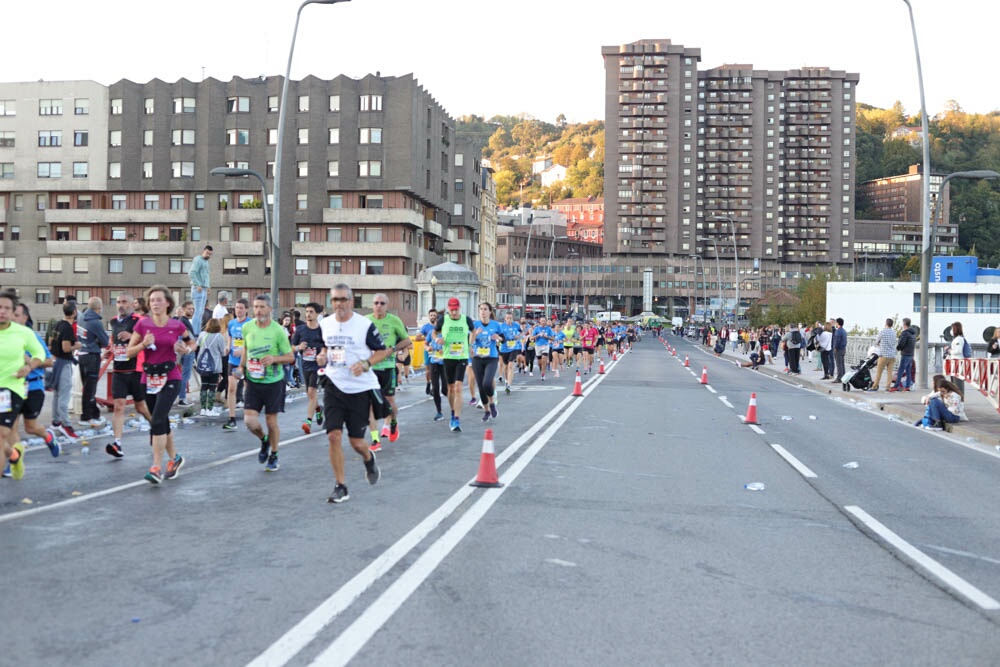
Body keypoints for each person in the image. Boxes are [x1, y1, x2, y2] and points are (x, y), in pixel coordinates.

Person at [318, 283, 385, 503]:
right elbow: (325, 348)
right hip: (334, 385)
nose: (339, 304)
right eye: (335, 300)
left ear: (351, 300)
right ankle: (341, 485)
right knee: (333, 435)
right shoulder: (325, 323)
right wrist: (322, 356)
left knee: (356, 442)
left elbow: (382, 350)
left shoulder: (364, 325)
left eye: (343, 299)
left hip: (359, 389)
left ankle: (368, 457)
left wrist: (365, 363)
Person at [127, 285, 194, 484]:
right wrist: (143, 345)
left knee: (157, 419)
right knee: (161, 421)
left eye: (159, 300)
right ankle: (175, 459)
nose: (155, 303)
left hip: (171, 376)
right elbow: (129, 352)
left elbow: (192, 342)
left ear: (167, 303)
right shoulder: (142, 325)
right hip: (149, 378)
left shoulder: (177, 325)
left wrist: (186, 350)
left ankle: (155, 467)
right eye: (152, 300)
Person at [240, 294, 295, 472]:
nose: (258, 311)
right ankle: (264, 440)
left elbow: (290, 357)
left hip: (274, 382)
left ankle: (274, 453)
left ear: (270, 309)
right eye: (256, 307)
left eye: (262, 307)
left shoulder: (278, 330)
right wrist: (241, 367)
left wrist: (274, 359)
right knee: (249, 421)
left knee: (271, 421)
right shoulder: (247, 327)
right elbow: (246, 349)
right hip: (253, 380)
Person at [0, 291, 48, 480]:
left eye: (7, 309)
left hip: (10, 389)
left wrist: (29, 367)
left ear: (13, 313)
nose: (2, 311)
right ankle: (13, 454)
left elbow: (40, 354)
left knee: (2, 433)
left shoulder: (23, 333)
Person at [105, 294, 153, 458]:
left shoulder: (140, 320)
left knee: (140, 407)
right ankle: (117, 443)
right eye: (118, 302)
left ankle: (157, 428)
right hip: (119, 370)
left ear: (132, 304)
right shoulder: (113, 321)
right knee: (119, 406)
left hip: (136, 369)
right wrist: (109, 350)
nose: (120, 305)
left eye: (124, 302)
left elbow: (149, 340)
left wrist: (131, 336)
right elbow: (114, 340)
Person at [366, 293, 411, 450]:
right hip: (370, 368)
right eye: (376, 303)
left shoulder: (394, 321)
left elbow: (407, 340)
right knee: (370, 404)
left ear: (387, 305)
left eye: (382, 303)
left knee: (389, 400)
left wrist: (393, 349)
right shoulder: (366, 321)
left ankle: (392, 422)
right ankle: (375, 439)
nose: (378, 305)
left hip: (387, 367)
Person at [434, 297, 476, 433]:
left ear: (460, 308)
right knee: (450, 388)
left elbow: (473, 331)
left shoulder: (466, 319)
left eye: (455, 310)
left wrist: (470, 345)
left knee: (458, 387)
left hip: (461, 357)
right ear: (448, 309)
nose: (453, 313)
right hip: (448, 356)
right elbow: (434, 332)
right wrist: (437, 339)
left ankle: (456, 418)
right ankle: (453, 412)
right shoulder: (443, 320)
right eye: (451, 310)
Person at [292, 302, 325, 434]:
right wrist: (299, 348)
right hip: (305, 364)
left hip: (318, 366)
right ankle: (318, 408)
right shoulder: (300, 330)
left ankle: (308, 422)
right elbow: (292, 347)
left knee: (312, 392)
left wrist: (322, 353)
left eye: (311, 312)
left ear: (317, 314)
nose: (308, 314)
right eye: (307, 312)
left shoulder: (321, 331)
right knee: (309, 394)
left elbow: (326, 346)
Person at [50, 301, 81, 440]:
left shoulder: (57, 324)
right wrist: (77, 346)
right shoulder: (68, 328)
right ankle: (66, 425)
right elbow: (66, 348)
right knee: (64, 394)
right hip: (64, 362)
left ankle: (56, 421)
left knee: (57, 394)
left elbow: (51, 342)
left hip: (56, 362)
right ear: (74, 312)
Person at [77, 296, 109, 428]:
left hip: (81, 355)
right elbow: (105, 341)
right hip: (92, 356)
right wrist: (97, 343)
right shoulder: (95, 322)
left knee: (87, 386)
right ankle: (87, 416)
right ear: (98, 308)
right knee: (90, 389)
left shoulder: (80, 318)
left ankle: (94, 414)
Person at [471, 302, 503, 422]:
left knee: (487, 383)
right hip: (478, 358)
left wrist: (499, 338)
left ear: (490, 312)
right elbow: (469, 341)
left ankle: (492, 403)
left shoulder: (495, 325)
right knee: (480, 386)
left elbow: (503, 338)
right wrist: (475, 334)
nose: (483, 312)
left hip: (491, 357)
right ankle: (486, 410)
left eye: (485, 309)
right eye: (481, 309)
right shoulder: (475, 325)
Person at [223, 298, 250, 432]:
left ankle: (250, 415)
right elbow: (230, 336)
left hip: (247, 362)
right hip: (233, 361)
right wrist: (228, 347)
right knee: (231, 388)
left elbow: (254, 341)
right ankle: (231, 418)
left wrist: (244, 350)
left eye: (241, 308)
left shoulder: (251, 324)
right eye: (236, 307)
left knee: (249, 389)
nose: (238, 310)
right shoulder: (231, 323)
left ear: (246, 309)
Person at [195, 318, 226, 416]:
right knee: (212, 387)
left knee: (204, 386)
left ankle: (203, 409)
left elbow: (197, 345)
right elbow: (223, 352)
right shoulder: (219, 337)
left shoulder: (202, 335)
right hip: (215, 366)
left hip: (203, 365)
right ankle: (210, 409)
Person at [188, 244, 213, 339]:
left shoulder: (206, 262)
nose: (208, 255)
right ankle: (195, 332)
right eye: (207, 253)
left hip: (204, 289)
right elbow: (192, 272)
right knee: (198, 312)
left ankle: (197, 332)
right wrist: (197, 284)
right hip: (198, 288)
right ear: (203, 250)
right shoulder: (198, 260)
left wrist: (208, 287)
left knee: (201, 312)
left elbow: (206, 275)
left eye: (210, 254)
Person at [175, 300, 197, 408]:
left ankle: (181, 397)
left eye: (192, 308)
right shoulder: (183, 321)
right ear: (183, 309)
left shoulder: (184, 321)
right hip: (187, 351)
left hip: (186, 350)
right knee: (185, 375)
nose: (192, 310)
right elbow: (185, 337)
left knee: (182, 375)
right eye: (189, 308)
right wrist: (188, 348)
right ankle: (182, 398)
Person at [424, 319, 447, 421]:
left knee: (445, 389)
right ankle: (439, 411)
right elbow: (425, 343)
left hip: (445, 363)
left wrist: (445, 350)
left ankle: (454, 403)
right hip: (434, 362)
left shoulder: (447, 333)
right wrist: (427, 348)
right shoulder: (431, 333)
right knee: (435, 388)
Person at [869, 318, 898, 392]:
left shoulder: (882, 331)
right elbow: (894, 342)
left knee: (879, 372)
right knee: (889, 372)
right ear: (892, 325)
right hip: (892, 355)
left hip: (883, 355)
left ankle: (874, 386)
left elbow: (876, 342)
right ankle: (888, 387)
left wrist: (880, 344)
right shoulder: (894, 333)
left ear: (886, 323)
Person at [890, 317, 917, 392]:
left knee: (901, 370)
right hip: (911, 354)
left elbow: (902, 343)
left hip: (905, 354)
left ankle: (896, 386)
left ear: (904, 324)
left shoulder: (905, 333)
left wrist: (898, 348)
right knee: (908, 371)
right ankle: (907, 386)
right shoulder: (913, 333)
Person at [497, 311, 522, 394]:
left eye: (510, 318)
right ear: (505, 319)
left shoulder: (516, 325)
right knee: (506, 367)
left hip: (513, 348)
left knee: (511, 365)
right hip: (504, 349)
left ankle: (509, 386)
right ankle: (507, 380)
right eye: (507, 318)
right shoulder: (501, 326)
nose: (509, 320)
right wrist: (500, 339)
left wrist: (518, 336)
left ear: (513, 318)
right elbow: (498, 336)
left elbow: (521, 332)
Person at [946, 321, 971, 394]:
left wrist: (949, 351)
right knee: (954, 382)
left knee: (958, 382)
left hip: (957, 362)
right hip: (955, 362)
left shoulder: (959, 339)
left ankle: (960, 398)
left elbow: (958, 351)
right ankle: (957, 398)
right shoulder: (958, 339)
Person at [420, 309, 438, 396]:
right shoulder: (425, 327)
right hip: (428, 351)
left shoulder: (439, 327)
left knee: (435, 370)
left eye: (434, 315)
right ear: (429, 316)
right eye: (431, 315)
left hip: (437, 351)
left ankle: (434, 388)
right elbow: (417, 338)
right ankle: (428, 383)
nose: (433, 317)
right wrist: (427, 338)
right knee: (428, 370)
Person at [532, 316, 554, 381]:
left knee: (544, 359)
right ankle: (541, 369)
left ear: (546, 322)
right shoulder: (536, 329)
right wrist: (538, 335)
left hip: (545, 345)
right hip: (538, 345)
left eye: (544, 321)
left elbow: (553, 338)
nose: (543, 322)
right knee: (539, 362)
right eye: (542, 321)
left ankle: (543, 374)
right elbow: (531, 338)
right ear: (540, 322)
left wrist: (546, 336)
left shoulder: (549, 329)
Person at [832, 317, 847, 382]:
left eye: (836, 322)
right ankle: (843, 376)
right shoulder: (844, 331)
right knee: (842, 364)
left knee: (838, 364)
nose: (835, 323)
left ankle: (839, 378)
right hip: (843, 349)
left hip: (838, 350)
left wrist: (835, 348)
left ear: (838, 323)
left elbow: (837, 341)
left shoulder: (838, 331)